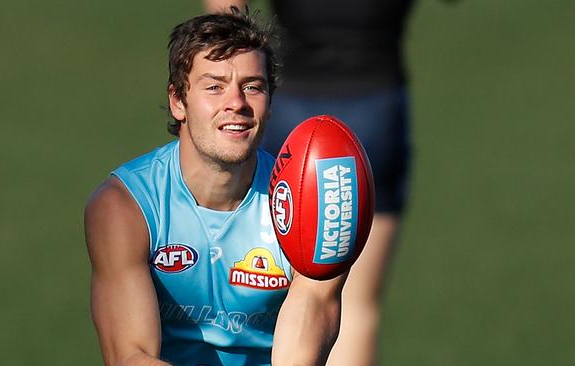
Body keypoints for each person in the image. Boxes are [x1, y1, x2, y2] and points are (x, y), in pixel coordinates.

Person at [84, 7, 345, 366]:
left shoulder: (311, 204)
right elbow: (131, 356)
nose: (236, 103)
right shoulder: (125, 205)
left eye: (252, 87)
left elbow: (302, 348)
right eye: (214, 87)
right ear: (179, 101)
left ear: (270, 103)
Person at [204, 1, 416, 365]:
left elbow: (225, 9)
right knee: (356, 304)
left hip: (288, 113)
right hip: (374, 111)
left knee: (262, 291)